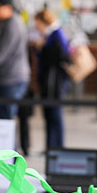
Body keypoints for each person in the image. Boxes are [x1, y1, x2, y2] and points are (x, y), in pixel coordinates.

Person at [33, 9, 69, 149]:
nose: (36, 27)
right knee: (48, 116)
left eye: (37, 23)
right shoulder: (50, 35)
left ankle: (57, 147)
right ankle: (50, 147)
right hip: (49, 82)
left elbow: (60, 57)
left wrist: (42, 48)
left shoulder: (57, 34)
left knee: (55, 116)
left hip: (55, 83)